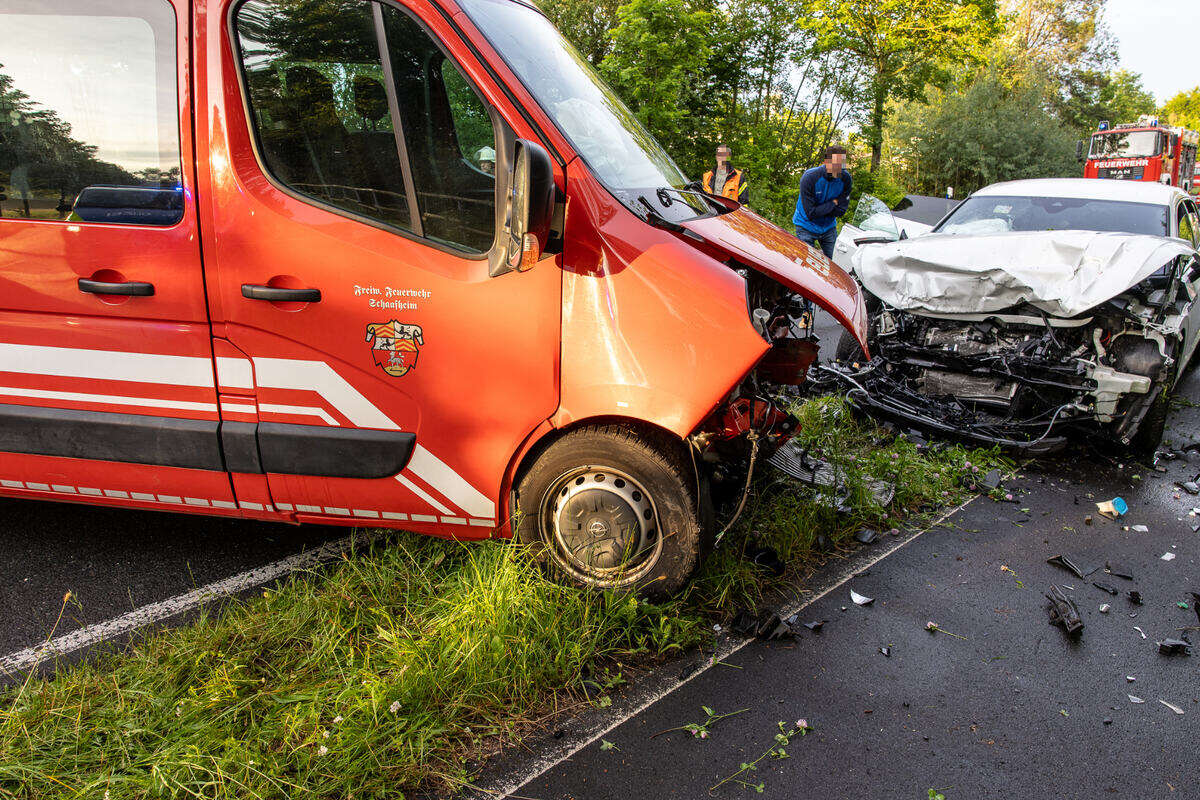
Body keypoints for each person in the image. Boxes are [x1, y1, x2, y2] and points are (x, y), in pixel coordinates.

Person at [792, 145, 852, 258]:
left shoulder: (845, 179)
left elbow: (841, 211)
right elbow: (811, 213)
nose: (838, 169)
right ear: (826, 162)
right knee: (806, 261)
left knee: (836, 262)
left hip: (828, 227)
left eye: (840, 165)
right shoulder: (810, 177)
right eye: (835, 165)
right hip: (805, 225)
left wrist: (821, 209)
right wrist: (833, 203)